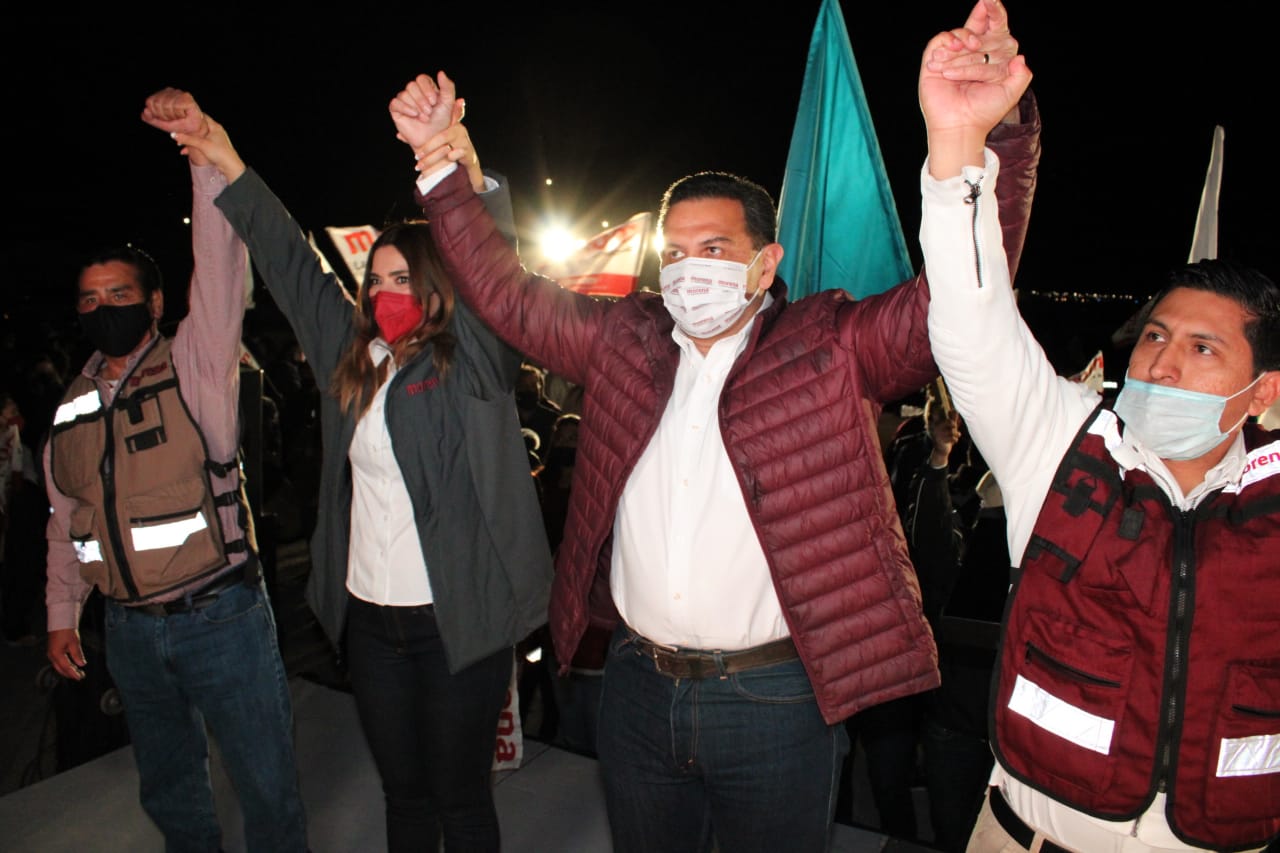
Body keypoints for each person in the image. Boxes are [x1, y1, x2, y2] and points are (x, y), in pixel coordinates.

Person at [387, 29, 1040, 850]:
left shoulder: (830, 344)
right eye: (676, 253)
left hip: (774, 698)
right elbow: (507, 295)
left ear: (764, 265)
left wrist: (998, 142)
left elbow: (961, 296)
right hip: (635, 684)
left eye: (715, 250)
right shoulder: (625, 338)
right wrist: (443, 166)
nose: (690, 271)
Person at [918, 2, 1280, 850]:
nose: (1159, 363)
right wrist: (959, 145)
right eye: (1154, 336)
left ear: (1262, 390)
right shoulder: (1063, 444)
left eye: (1201, 347)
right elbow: (970, 321)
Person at [160, 88, 553, 852]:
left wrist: (460, 171)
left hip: (458, 624)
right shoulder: (356, 359)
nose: (384, 292)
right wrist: (224, 152)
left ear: (441, 285)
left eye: (405, 278)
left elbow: (494, 282)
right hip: (372, 624)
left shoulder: (473, 364)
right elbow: (289, 261)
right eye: (377, 277)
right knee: (403, 796)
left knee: (460, 798)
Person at [44, 101, 307, 851]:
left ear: (154, 304)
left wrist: (199, 156)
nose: (103, 308)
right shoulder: (68, 408)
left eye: (119, 295)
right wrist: (62, 612)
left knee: (267, 787)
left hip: (219, 617)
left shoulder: (195, 366)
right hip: (127, 631)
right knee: (170, 791)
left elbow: (221, 273)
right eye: (89, 299)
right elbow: (65, 519)